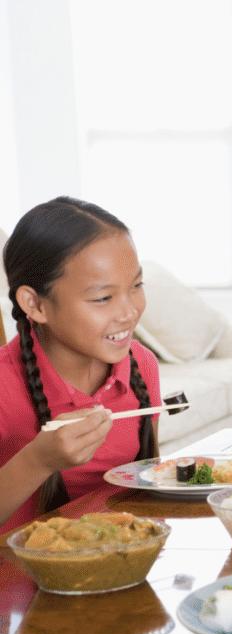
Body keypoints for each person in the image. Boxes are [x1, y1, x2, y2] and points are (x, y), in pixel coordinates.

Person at [0, 197, 160, 531]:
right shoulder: (5, 386)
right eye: (103, 298)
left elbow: (148, 488)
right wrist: (38, 461)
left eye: (136, 286)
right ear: (35, 304)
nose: (130, 312)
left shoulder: (140, 364)